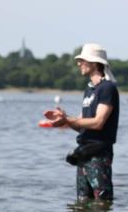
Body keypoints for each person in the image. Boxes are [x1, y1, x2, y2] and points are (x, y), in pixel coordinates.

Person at [51, 44, 119, 201]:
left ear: (94, 63)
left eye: (82, 60)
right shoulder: (89, 90)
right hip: (84, 153)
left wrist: (68, 119)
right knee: (82, 202)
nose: (78, 63)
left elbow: (98, 123)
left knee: (101, 201)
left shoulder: (107, 88)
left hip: (99, 154)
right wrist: (64, 119)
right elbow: (82, 125)